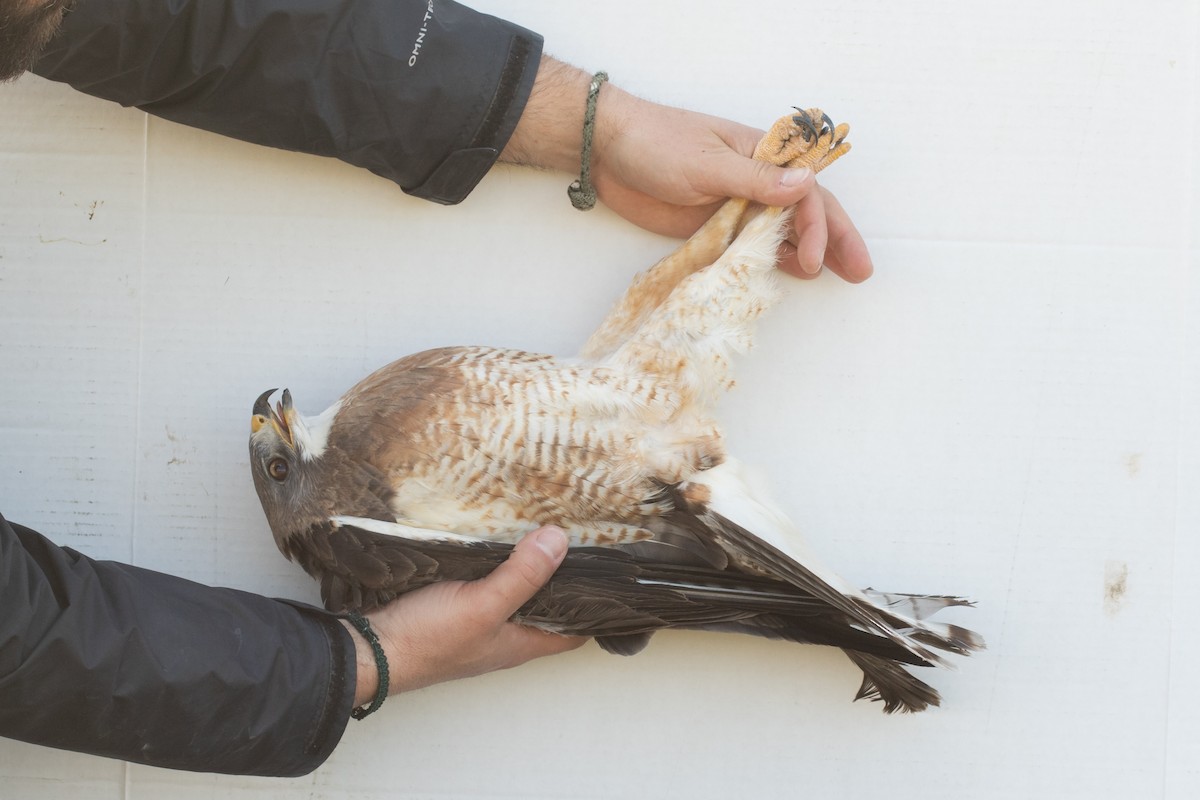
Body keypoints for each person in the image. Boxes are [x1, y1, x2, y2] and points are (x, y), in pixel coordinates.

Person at [0, 0, 874, 778]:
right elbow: (31, 644)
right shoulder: (353, 509)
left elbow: (200, 21)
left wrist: (594, 125)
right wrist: (364, 662)